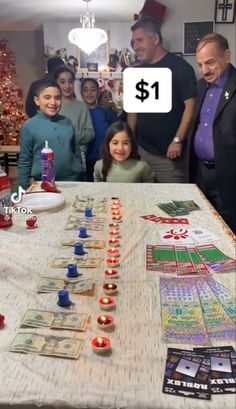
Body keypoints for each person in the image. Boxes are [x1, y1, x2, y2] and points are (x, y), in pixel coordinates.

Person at [128, 17, 196, 183]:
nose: (135, 46)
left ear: (155, 39)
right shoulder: (139, 71)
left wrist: (177, 140)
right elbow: (133, 109)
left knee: (173, 204)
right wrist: (130, 140)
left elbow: (191, 107)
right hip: (142, 151)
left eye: (139, 40)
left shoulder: (181, 67)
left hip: (170, 154)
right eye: (133, 42)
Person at [189, 33, 236, 234]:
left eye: (210, 63)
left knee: (228, 232)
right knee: (202, 228)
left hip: (228, 175)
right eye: (200, 64)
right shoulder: (201, 86)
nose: (204, 70)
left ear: (227, 56)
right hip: (200, 172)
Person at [18, 77, 84, 189]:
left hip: (73, 180)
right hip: (44, 183)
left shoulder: (67, 122)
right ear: (37, 100)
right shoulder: (29, 126)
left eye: (57, 98)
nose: (53, 102)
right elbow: (25, 159)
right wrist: (23, 189)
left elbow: (76, 151)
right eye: (47, 98)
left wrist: (81, 172)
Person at [51, 65, 94, 170]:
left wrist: (70, 134)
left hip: (78, 154)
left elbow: (90, 133)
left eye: (70, 81)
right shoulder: (52, 106)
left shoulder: (81, 106)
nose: (67, 86)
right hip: (55, 154)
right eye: (62, 82)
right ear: (56, 83)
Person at [80, 78, 117, 181]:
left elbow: (117, 131)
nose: (89, 93)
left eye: (93, 89)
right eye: (85, 90)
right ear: (81, 93)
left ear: (98, 91)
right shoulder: (80, 112)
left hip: (104, 157)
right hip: (85, 159)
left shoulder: (105, 112)